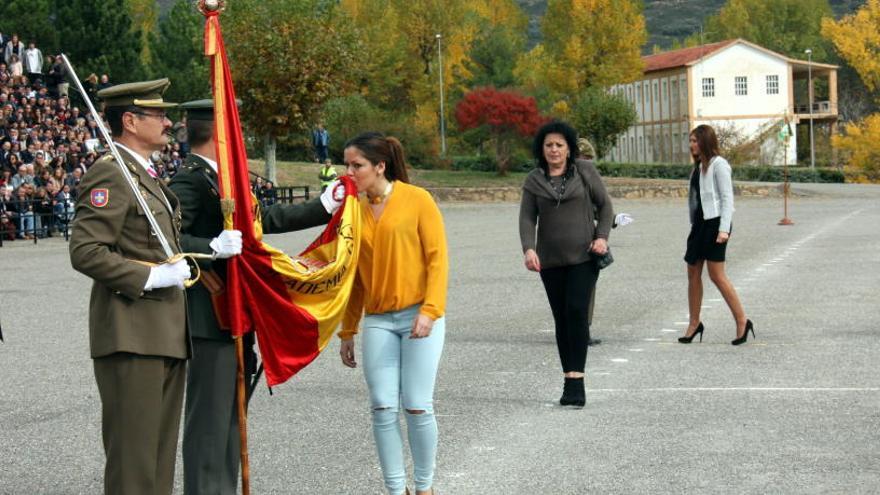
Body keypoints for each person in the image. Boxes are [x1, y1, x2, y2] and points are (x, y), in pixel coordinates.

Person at [168, 99, 343, 495]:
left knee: (231, 417)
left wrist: (323, 206)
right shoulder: (190, 180)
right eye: (234, 129)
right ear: (218, 135)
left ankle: (222, 489)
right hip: (210, 318)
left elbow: (263, 220)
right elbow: (166, 238)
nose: (241, 136)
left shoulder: (225, 179)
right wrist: (210, 245)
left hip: (236, 313)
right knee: (210, 421)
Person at [68, 78, 191, 494]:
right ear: (130, 121)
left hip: (164, 333)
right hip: (131, 333)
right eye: (158, 114)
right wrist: (150, 276)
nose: (168, 122)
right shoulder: (111, 173)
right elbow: (85, 250)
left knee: (157, 461)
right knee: (133, 462)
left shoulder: (144, 174)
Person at [339, 132, 448, 495]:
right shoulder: (352, 210)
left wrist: (430, 310)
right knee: (383, 407)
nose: (349, 172)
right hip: (379, 319)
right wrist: (347, 330)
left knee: (416, 405)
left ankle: (424, 486)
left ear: (379, 166)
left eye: (357, 165)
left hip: (420, 314)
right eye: (347, 165)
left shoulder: (417, 200)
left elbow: (437, 259)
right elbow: (352, 275)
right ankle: (395, 489)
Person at [519, 120, 613, 408]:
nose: (554, 150)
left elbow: (606, 206)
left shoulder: (585, 172)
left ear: (569, 148)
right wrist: (528, 249)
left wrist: (602, 238)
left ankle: (578, 381)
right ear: (541, 149)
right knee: (561, 318)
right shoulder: (535, 180)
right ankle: (568, 379)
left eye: (559, 145)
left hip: (584, 256)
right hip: (550, 260)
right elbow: (526, 218)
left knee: (576, 310)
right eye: (549, 145)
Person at [679, 124, 754, 346]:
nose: (692, 145)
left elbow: (727, 198)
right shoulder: (698, 167)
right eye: (690, 141)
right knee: (692, 272)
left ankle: (742, 320)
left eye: (695, 141)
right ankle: (694, 323)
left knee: (716, 275)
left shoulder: (719, 165)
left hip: (716, 225)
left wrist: (724, 229)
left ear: (705, 141)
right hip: (700, 225)